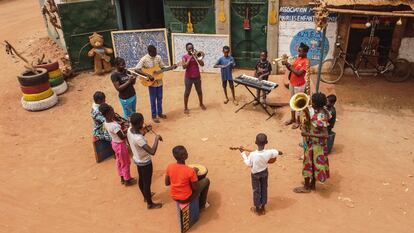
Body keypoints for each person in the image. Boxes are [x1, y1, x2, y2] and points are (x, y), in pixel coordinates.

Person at [293, 92, 330, 193]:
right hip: (317, 145)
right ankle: (312, 185)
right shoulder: (323, 112)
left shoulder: (320, 116)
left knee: (308, 164)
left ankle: (306, 187)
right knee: (314, 165)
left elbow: (325, 135)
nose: (311, 103)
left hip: (315, 145)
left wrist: (308, 135)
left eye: (312, 102)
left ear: (316, 104)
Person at [238, 133, 283, 215]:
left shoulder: (252, 154)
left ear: (255, 142)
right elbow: (278, 152)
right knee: (264, 188)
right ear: (266, 142)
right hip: (264, 173)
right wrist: (279, 152)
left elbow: (248, 163)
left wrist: (243, 153)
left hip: (255, 175)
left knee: (256, 190)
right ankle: (263, 206)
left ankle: (257, 208)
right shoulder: (269, 152)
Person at [127, 113, 163, 209]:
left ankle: (145, 196)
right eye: (142, 121)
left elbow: (140, 133)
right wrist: (156, 139)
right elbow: (152, 151)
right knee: (147, 183)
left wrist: (146, 130)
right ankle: (150, 204)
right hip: (145, 162)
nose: (144, 122)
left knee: (142, 180)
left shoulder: (130, 130)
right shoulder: (138, 139)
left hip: (138, 159)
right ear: (139, 123)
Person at [135, 45, 177, 123]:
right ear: (149, 52)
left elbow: (162, 68)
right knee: (153, 99)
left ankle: (160, 113)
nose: (155, 53)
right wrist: (147, 75)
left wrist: (171, 67)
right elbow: (137, 69)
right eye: (154, 52)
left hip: (159, 81)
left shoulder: (158, 57)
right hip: (151, 83)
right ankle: (154, 116)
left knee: (160, 98)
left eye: (156, 51)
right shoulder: (144, 59)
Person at [99, 103, 136, 186]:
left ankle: (122, 177)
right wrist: (129, 130)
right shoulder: (114, 126)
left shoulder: (107, 122)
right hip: (120, 145)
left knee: (119, 161)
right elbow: (122, 137)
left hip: (114, 143)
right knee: (126, 162)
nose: (114, 113)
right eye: (112, 112)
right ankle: (127, 180)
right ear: (108, 114)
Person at [165, 145, 210, 210]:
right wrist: (195, 172)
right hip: (186, 198)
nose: (187, 153)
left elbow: (167, 183)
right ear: (184, 156)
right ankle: (202, 205)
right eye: (186, 153)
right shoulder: (190, 171)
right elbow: (195, 188)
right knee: (206, 181)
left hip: (174, 196)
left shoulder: (170, 167)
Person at [283, 43, 310, 129]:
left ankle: (298, 121)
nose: (298, 52)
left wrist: (288, 64)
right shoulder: (298, 58)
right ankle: (292, 118)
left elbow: (298, 73)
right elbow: (292, 69)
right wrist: (286, 64)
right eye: (298, 50)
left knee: (298, 103)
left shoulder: (306, 61)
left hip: (299, 85)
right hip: (292, 83)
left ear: (305, 52)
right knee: (292, 101)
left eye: (300, 51)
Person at [182, 43, 206, 114]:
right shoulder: (184, 56)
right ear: (186, 49)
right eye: (189, 48)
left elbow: (202, 64)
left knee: (199, 91)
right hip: (188, 77)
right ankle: (186, 108)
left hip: (197, 77)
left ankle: (201, 104)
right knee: (187, 92)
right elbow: (184, 66)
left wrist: (197, 57)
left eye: (192, 48)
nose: (191, 49)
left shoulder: (196, 56)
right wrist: (190, 58)